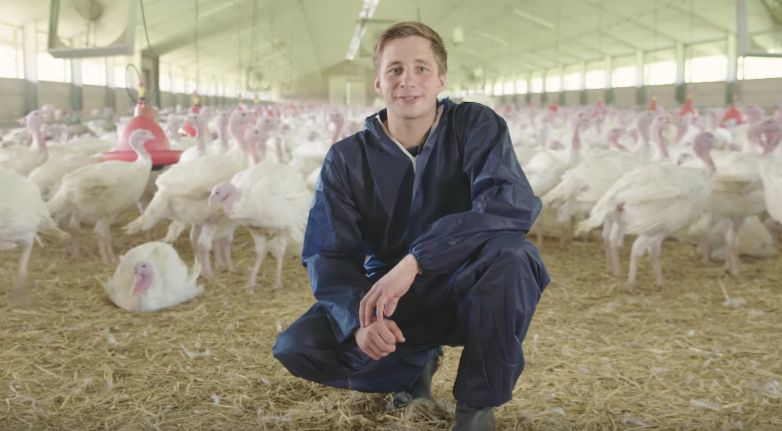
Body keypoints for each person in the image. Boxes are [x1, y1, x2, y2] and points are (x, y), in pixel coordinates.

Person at [273, 21, 549, 431]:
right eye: (395, 69)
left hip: (468, 288)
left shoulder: (475, 126)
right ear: (379, 82)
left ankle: (476, 408)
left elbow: (509, 204)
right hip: (392, 301)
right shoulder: (348, 158)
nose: (408, 80)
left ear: (440, 79)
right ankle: (411, 365)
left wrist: (418, 259)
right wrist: (360, 319)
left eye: (421, 68)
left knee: (514, 256)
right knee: (299, 346)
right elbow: (328, 252)